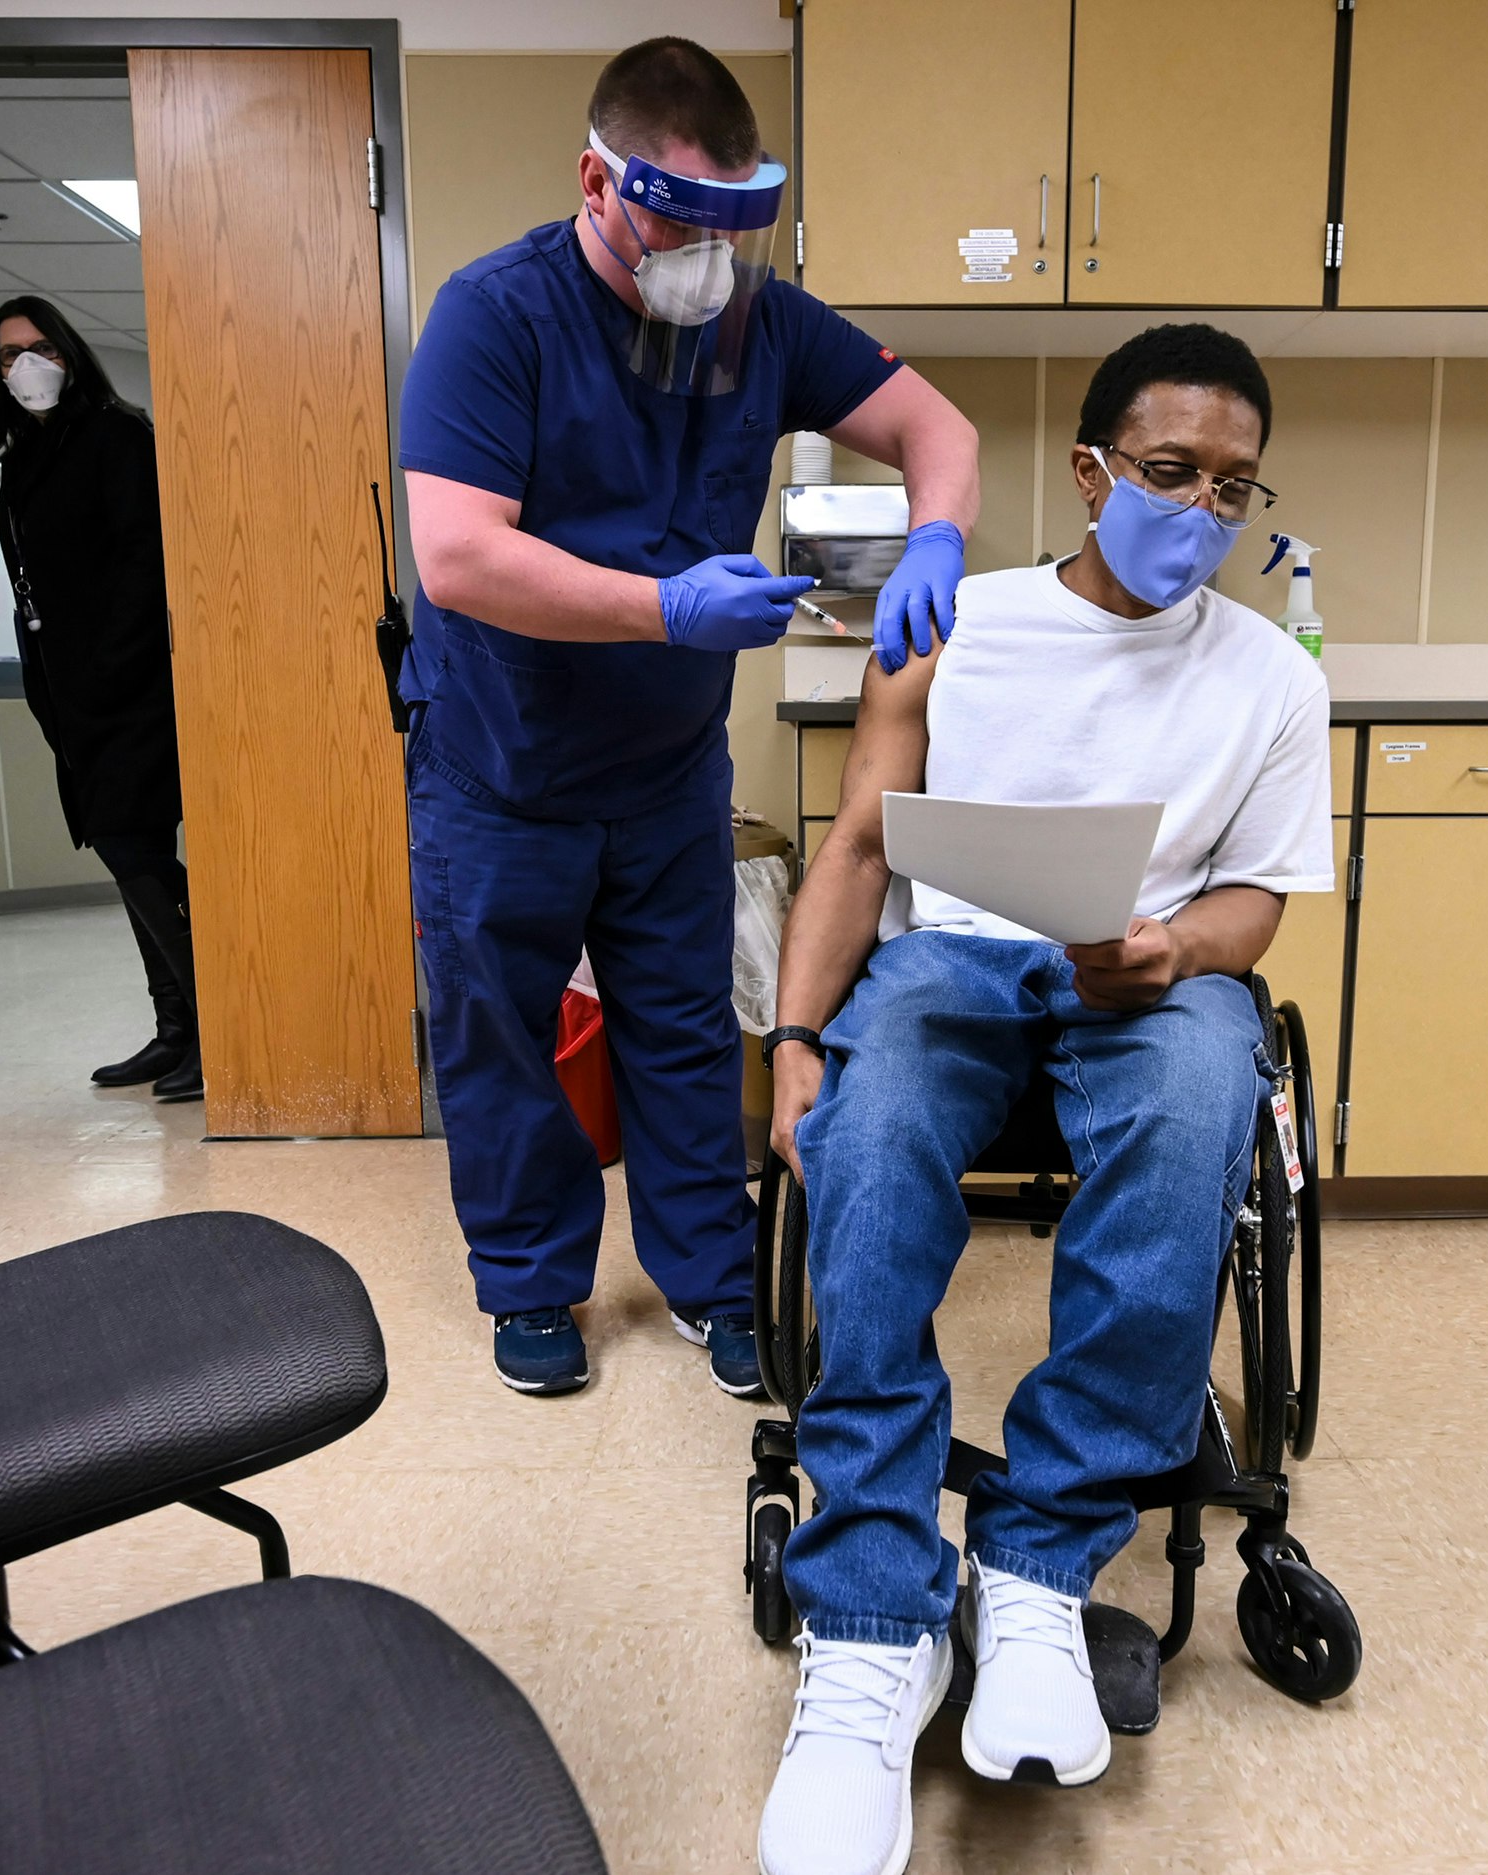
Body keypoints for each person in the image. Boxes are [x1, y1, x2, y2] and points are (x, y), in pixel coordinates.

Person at [752, 326, 1336, 1875]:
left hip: (1153, 972)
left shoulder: (1273, 679)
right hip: (959, 959)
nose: (1200, 510)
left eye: (1232, 486)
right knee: (865, 1141)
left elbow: (1259, 901)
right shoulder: (956, 623)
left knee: (1201, 1100)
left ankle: (1034, 1567)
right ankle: (877, 1619)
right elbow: (863, 851)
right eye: (1167, 473)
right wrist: (796, 1039)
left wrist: (1174, 944)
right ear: (1089, 472)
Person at [400, 37, 979, 1400]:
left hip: (665, 772)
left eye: (739, 229)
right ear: (596, 183)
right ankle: (534, 1282)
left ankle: (715, 1282)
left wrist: (939, 535)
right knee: (504, 1029)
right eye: (680, 222)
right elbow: (460, 557)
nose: (708, 261)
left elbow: (935, 427)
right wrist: (666, 609)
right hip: (504, 765)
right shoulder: (495, 316)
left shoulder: (758, 323)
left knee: (678, 1023)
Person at [0, 296, 200, 1103]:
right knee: (125, 857)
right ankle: (175, 1027)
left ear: (71, 354)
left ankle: (217, 1026)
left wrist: (110, 667)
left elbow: (145, 562)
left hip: (131, 691)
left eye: (40, 347)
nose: (25, 366)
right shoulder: (24, 458)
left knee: (133, 851)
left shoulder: (113, 437)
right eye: (8, 355)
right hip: (71, 700)